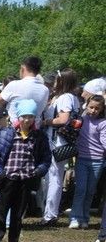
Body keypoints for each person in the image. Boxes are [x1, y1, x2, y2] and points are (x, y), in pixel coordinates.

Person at [0, 98, 51, 242]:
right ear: (18, 117)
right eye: (24, 116)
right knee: (1, 214)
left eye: (31, 116)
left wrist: (38, 171)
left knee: (17, 216)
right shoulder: (5, 134)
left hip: (26, 180)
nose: (27, 120)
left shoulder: (39, 137)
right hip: (7, 179)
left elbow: (46, 158)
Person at [40, 68, 82, 225]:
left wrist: (46, 122)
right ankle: (49, 211)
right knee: (54, 176)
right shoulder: (72, 97)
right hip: (59, 141)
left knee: (54, 177)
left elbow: (63, 119)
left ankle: (50, 214)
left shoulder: (65, 98)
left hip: (57, 141)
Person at [70, 94, 106, 230]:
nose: (93, 110)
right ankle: (75, 217)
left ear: (102, 109)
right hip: (82, 159)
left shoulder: (103, 123)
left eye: (97, 108)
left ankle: (85, 217)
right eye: (91, 107)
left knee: (90, 191)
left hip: (98, 161)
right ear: (87, 106)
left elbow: (104, 141)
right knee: (80, 189)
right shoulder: (82, 119)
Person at [0, 55, 49, 125]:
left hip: (14, 130)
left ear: (23, 68)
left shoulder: (14, 85)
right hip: (34, 131)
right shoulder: (45, 90)